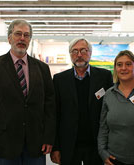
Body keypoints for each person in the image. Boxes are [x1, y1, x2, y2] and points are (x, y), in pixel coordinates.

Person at [0, 19, 56, 165]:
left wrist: (48, 138)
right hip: (5, 143)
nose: (22, 38)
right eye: (18, 34)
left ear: (30, 40)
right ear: (9, 38)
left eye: (26, 35)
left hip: (36, 143)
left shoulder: (42, 68)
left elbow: (50, 106)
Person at [51, 37, 113, 165]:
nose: (79, 55)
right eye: (74, 51)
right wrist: (55, 147)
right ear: (70, 55)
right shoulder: (59, 80)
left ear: (90, 53)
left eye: (83, 50)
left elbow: (110, 111)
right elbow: (55, 115)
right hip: (69, 145)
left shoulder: (104, 76)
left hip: (96, 144)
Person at [98, 50, 134, 165]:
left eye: (128, 64)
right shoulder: (109, 95)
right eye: (119, 65)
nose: (123, 68)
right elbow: (103, 127)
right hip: (114, 160)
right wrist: (102, 152)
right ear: (115, 68)